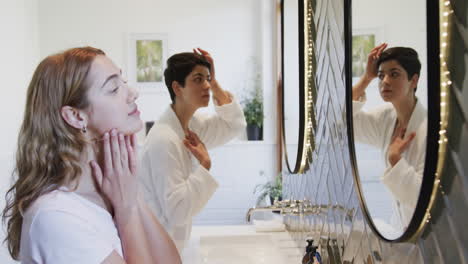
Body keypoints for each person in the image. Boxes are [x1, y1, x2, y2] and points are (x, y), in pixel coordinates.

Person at [2, 47, 181, 264]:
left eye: (123, 81)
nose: (132, 92)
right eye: (114, 88)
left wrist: (134, 198)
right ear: (76, 116)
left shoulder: (115, 190)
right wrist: (127, 213)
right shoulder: (55, 216)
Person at [138, 48, 247, 252]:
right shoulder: (164, 140)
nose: (206, 85)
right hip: (158, 251)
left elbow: (235, 126)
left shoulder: (190, 127)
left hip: (171, 247)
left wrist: (215, 83)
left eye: (207, 79)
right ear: (177, 88)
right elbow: (178, 211)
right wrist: (204, 166)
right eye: (198, 79)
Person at [352, 43, 427, 232]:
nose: (385, 81)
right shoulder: (387, 118)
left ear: (414, 80)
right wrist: (367, 77)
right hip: (400, 230)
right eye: (380, 75)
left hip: (426, 233)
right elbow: (342, 122)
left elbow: (421, 198)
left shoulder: (428, 129)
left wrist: (395, 160)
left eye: (394, 74)